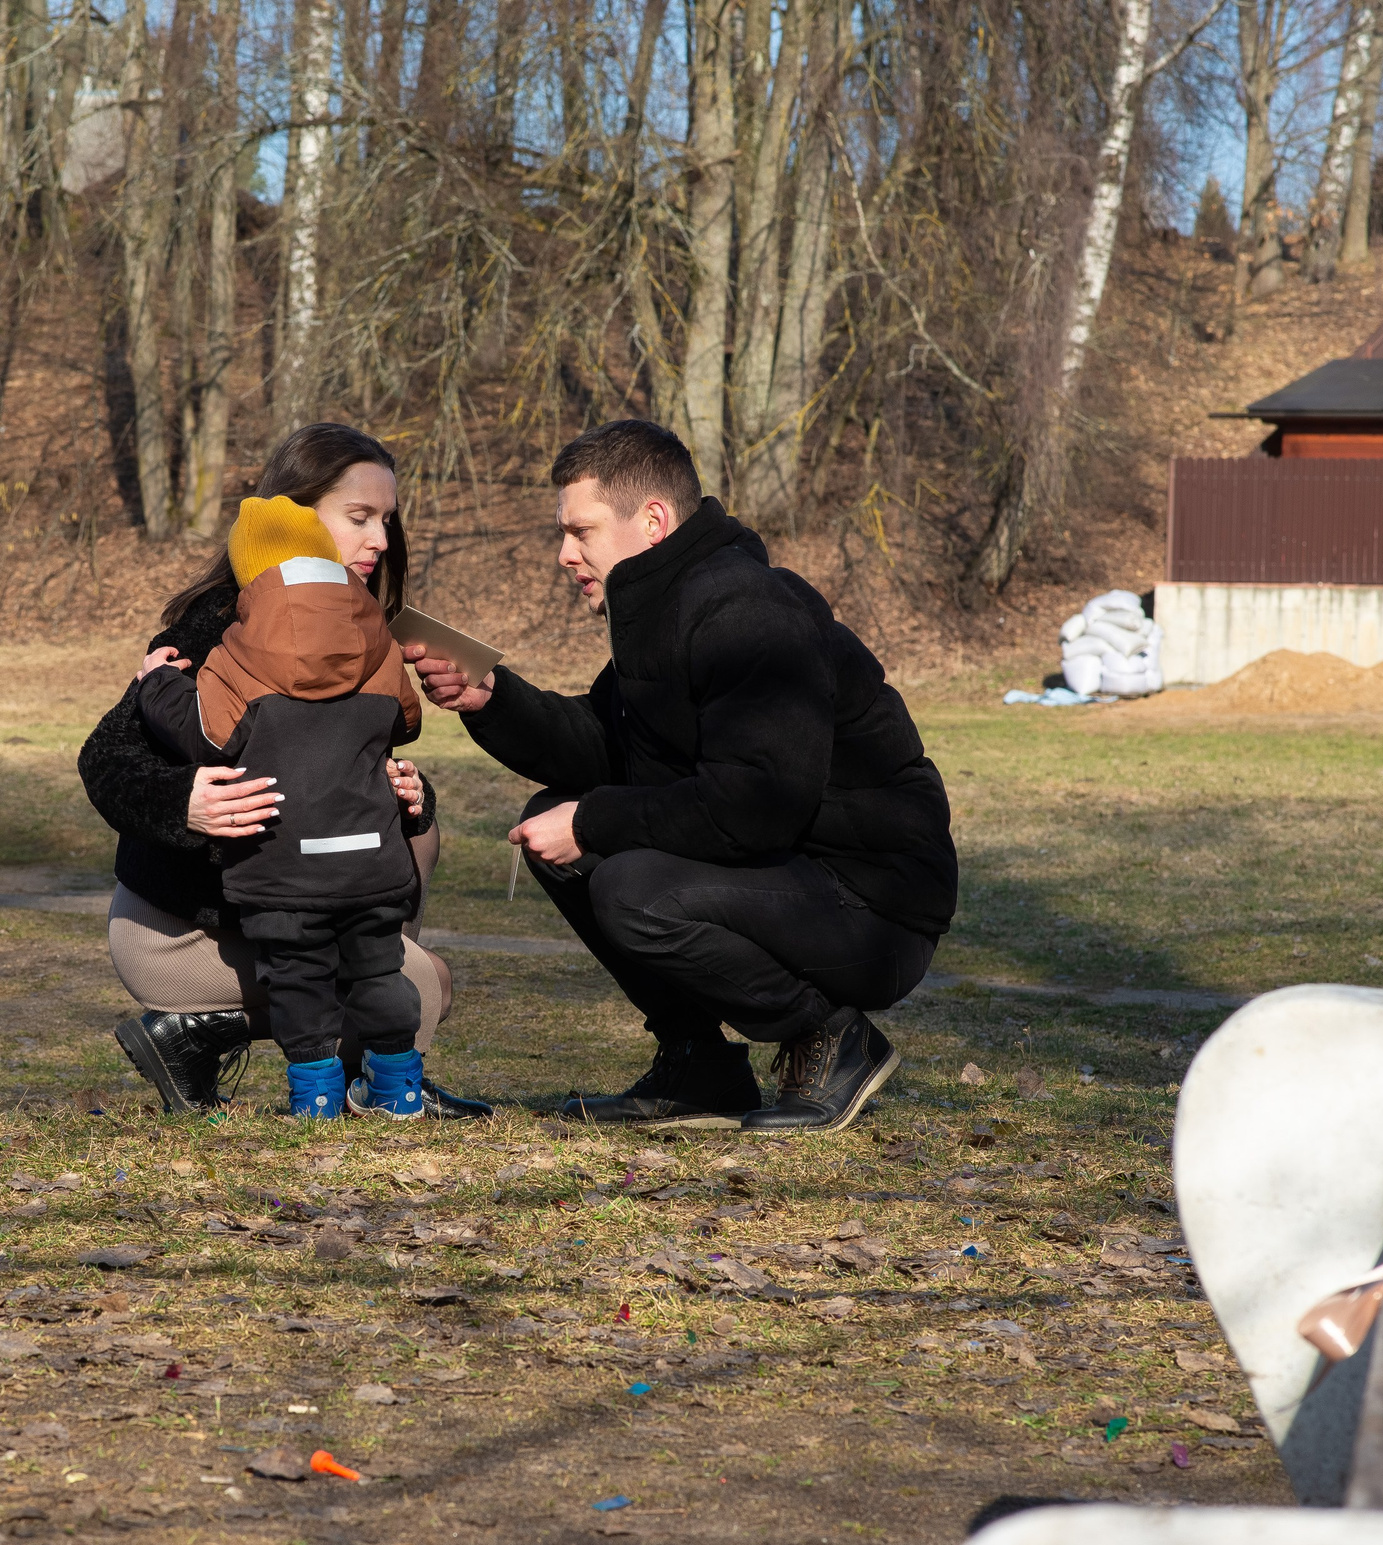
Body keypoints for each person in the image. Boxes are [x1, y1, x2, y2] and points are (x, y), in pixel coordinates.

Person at [408, 419, 956, 1131]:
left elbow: (758, 804)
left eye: (582, 531)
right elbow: (605, 748)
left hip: (872, 906)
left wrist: (591, 822)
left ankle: (831, 1039)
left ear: (654, 520)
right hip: (792, 873)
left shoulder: (744, 609)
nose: (565, 554)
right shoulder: (667, 607)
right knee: (562, 823)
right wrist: (492, 696)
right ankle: (699, 1066)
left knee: (630, 885)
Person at [78, 422, 488, 1118]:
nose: (381, 540)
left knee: (421, 859)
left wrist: (407, 795)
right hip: (176, 932)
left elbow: (335, 781)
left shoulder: (359, 628)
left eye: (387, 520)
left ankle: (358, 1063)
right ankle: (193, 1030)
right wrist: (185, 802)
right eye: (359, 517)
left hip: (297, 906)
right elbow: (106, 756)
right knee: (424, 987)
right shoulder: (220, 623)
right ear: (293, 515)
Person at [136, 495, 426, 1118]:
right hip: (369, 864)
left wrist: (157, 682)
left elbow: (201, 734)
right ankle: (399, 1086)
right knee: (380, 971)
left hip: (280, 869)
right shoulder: (375, 639)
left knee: (298, 978)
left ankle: (315, 1096)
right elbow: (406, 722)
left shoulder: (238, 655)